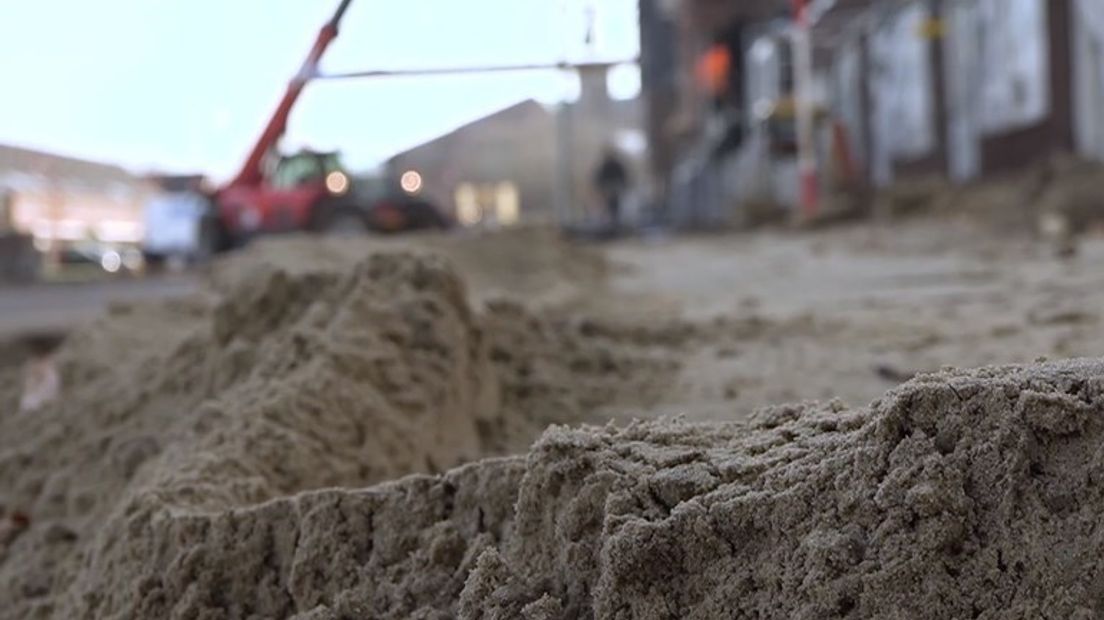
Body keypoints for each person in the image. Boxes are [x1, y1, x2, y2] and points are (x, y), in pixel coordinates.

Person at [593, 147, 630, 231]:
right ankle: (608, 225)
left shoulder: (617, 165)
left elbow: (623, 177)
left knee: (615, 208)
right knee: (607, 209)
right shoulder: (604, 166)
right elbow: (599, 178)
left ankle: (616, 225)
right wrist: (602, 189)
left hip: (615, 190)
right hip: (606, 191)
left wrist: (619, 187)